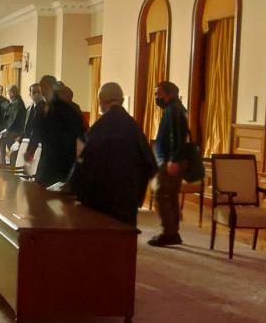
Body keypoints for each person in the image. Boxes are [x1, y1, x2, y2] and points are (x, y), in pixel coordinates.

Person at [69, 83, 157, 226]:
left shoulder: (99, 127)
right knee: (124, 234)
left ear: (101, 100)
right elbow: (148, 162)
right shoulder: (133, 126)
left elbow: (83, 158)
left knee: (102, 233)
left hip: (101, 197)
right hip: (127, 196)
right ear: (121, 100)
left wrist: (74, 185)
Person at [150, 81, 190, 247]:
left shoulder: (173, 110)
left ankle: (169, 232)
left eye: (159, 93)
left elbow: (177, 137)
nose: (156, 97)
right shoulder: (176, 109)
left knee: (160, 194)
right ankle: (173, 232)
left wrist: (173, 159)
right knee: (171, 195)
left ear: (170, 94)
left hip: (170, 160)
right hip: (171, 159)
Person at [26, 75, 84, 186]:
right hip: (48, 156)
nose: (43, 90)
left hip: (64, 157)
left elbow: (79, 135)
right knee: (42, 188)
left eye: (45, 86)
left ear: (53, 87)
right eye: (42, 87)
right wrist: (30, 151)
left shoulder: (68, 109)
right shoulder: (41, 108)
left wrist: (79, 162)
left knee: (54, 188)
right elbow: (37, 132)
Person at [0, 85, 26, 165]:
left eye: (7, 92)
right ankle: (3, 165)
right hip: (11, 132)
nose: (6, 94)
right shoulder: (13, 103)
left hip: (15, 133)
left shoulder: (18, 104)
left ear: (12, 93)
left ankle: (10, 168)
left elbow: (14, 119)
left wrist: (7, 130)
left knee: (13, 155)